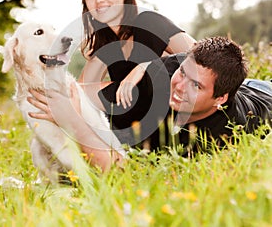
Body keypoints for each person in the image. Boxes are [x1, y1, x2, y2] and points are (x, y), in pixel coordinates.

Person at [28, 36, 272, 169]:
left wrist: (73, 121)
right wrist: (62, 95)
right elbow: (99, 95)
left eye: (195, 86)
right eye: (183, 73)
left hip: (264, 95)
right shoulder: (169, 73)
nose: (179, 86)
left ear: (219, 99)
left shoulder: (224, 132)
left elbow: (119, 173)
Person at [72, 0, 196, 148]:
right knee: (80, 96)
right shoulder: (107, 46)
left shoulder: (149, 22)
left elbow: (207, 57)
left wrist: (145, 67)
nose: (99, 0)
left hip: (183, 121)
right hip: (144, 134)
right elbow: (77, 93)